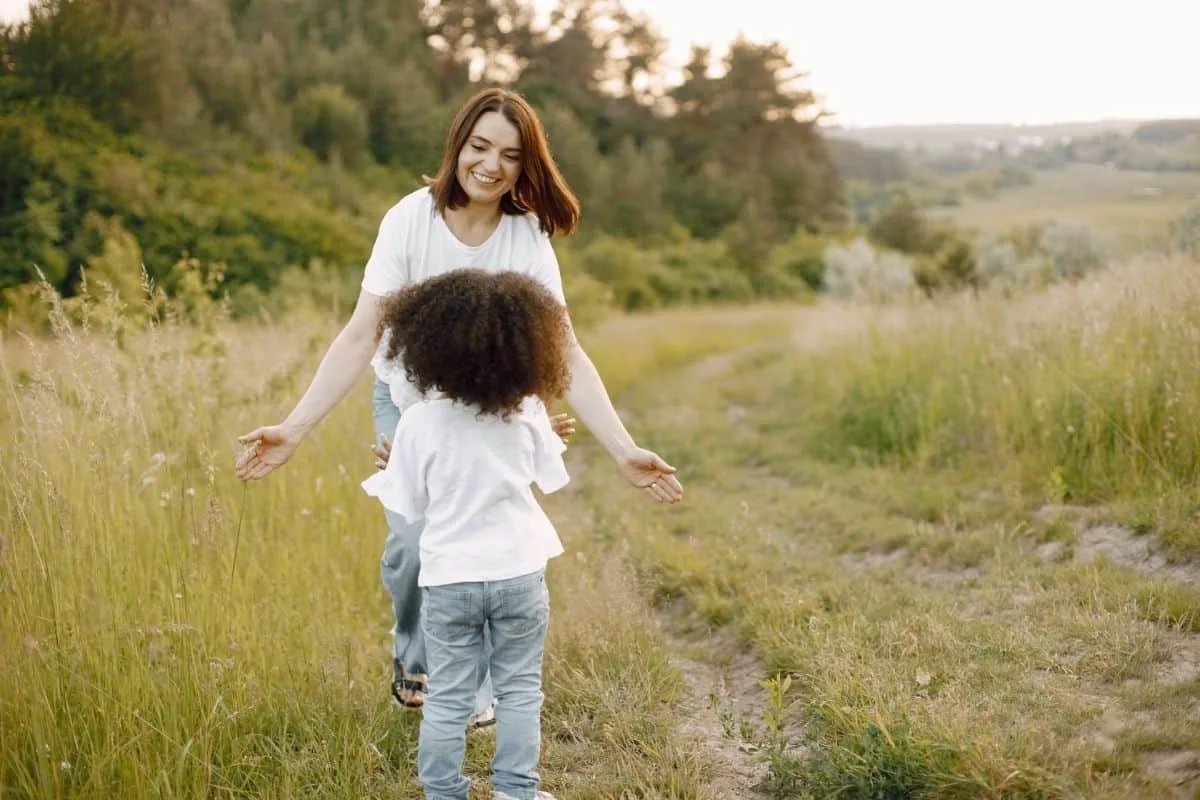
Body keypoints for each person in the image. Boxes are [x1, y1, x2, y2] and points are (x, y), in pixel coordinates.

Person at [234, 87, 683, 716]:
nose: (491, 165)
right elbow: (362, 333)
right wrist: (295, 427)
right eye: (480, 147)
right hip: (410, 404)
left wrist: (625, 448)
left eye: (510, 155)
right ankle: (415, 653)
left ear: (526, 166)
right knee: (417, 543)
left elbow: (566, 353)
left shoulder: (525, 236)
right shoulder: (409, 219)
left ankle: (478, 685)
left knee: (490, 545)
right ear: (457, 145)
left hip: (492, 407)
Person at [363, 267, 575, 800]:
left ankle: (443, 793)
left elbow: (409, 503)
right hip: (519, 573)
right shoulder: (526, 410)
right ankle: (516, 792)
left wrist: (393, 467)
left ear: (426, 345)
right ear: (526, 345)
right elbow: (549, 477)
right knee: (521, 689)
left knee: (450, 696)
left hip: (450, 577)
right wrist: (544, 437)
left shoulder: (417, 423)